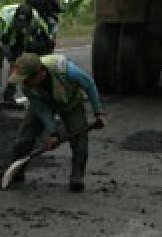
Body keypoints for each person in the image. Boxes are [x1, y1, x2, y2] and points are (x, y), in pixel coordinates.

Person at [6, 52, 106, 192]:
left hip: (70, 102)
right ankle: (16, 171)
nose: (24, 83)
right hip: (44, 103)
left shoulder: (66, 70)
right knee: (25, 136)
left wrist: (99, 112)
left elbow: (89, 85)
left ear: (39, 74)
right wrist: (53, 132)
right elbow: (41, 110)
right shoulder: (27, 87)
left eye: (27, 79)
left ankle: (77, 177)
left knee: (79, 140)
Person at [0, 2, 52, 103]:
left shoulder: (35, 17)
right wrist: (7, 52)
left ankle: (9, 94)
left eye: (24, 23)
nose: (21, 25)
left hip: (21, 37)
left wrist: (45, 44)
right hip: (3, 33)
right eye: (19, 22)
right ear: (15, 18)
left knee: (17, 64)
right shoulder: (4, 18)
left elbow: (47, 33)